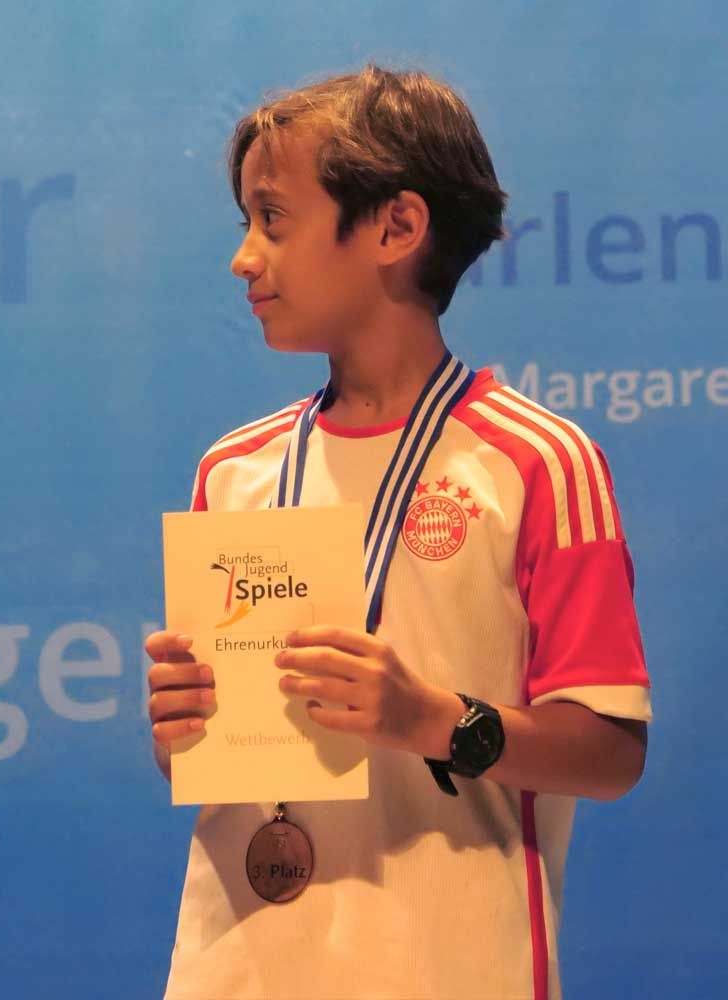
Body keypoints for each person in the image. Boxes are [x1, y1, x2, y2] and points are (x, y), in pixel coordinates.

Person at [145, 63, 651, 1000]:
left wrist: (430, 720)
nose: (243, 259)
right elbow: (218, 756)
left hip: (451, 966)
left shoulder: (539, 461)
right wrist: (183, 725)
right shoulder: (234, 469)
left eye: (274, 219)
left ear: (396, 226)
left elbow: (612, 752)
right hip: (237, 968)